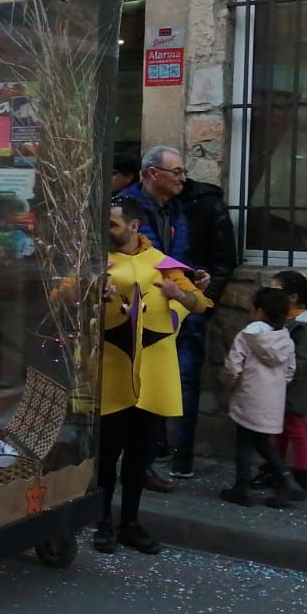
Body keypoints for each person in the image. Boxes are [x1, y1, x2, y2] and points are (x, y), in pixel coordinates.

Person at [97, 198, 211, 555]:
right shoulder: (96, 261)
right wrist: (90, 294)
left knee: (138, 455)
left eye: (113, 224)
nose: (108, 230)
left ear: (133, 227)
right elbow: (65, 294)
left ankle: (129, 522)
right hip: (112, 369)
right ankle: (102, 522)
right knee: (106, 454)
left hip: (150, 372)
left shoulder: (162, 263)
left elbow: (198, 303)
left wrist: (181, 294)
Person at [118, 145, 194, 492]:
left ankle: (143, 464)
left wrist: (187, 283)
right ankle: (120, 465)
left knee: (158, 389)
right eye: (176, 171)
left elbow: (174, 258)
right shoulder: (125, 208)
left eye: (181, 171)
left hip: (165, 311)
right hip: (129, 312)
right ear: (152, 174)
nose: (182, 178)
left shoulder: (175, 209)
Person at [168, 173, 240, 479]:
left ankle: (181, 455)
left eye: (179, 171)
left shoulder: (207, 205)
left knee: (184, 378)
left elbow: (223, 260)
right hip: (155, 303)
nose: (178, 176)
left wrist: (202, 304)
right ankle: (155, 448)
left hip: (190, 305)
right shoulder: (143, 204)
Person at [219, 287, 305, 509]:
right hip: (272, 400)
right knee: (262, 442)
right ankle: (286, 479)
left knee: (244, 443)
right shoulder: (285, 339)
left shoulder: (247, 335)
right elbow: (290, 370)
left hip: (249, 396)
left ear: (258, 311)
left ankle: (241, 487)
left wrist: (229, 384)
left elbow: (233, 366)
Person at [264, 271, 307, 495]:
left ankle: (301, 474)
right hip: (282, 385)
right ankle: (278, 470)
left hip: (292, 387)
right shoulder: (286, 320)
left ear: (293, 297)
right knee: (279, 430)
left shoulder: (302, 325)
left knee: (296, 430)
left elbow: (303, 361)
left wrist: (285, 378)